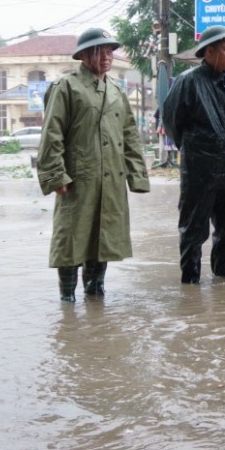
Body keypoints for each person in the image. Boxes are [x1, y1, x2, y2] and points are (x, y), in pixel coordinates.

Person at [37, 28, 151, 302]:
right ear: (85, 55)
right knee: (72, 237)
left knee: (104, 235)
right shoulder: (66, 87)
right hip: (78, 178)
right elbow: (52, 133)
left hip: (110, 178)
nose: (107, 56)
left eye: (110, 51)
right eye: (101, 51)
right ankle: (67, 298)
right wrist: (56, 175)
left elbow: (129, 136)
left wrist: (137, 176)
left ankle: (95, 290)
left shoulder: (116, 91)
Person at [161, 25, 225, 284]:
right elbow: (172, 120)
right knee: (194, 231)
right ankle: (191, 282)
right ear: (209, 51)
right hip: (199, 171)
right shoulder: (188, 81)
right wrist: (195, 150)